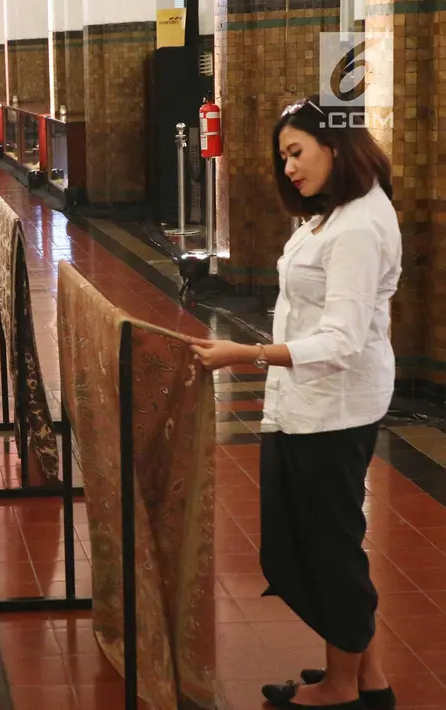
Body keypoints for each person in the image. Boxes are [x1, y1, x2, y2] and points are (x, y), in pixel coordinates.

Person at [189, 97, 399, 710]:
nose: (288, 167)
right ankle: (369, 679)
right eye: (283, 156)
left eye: (296, 152)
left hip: (335, 408)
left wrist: (242, 356)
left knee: (327, 546)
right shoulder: (332, 216)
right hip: (310, 403)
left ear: (336, 147)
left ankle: (342, 687)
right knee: (321, 540)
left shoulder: (360, 225)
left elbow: (340, 339)